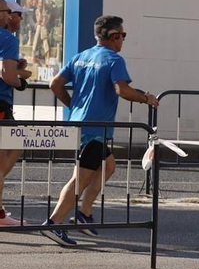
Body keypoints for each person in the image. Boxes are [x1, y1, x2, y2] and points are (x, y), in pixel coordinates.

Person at [43, 15, 159, 247]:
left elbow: (55, 84)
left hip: (81, 124)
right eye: (122, 35)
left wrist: (73, 107)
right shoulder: (114, 59)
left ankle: (84, 214)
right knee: (80, 179)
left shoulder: (81, 57)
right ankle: (54, 224)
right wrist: (146, 98)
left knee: (108, 165)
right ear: (113, 36)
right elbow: (122, 90)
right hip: (95, 128)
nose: (123, 40)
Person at [0, 0, 30, 227]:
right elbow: (7, 76)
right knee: (12, 148)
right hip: (0, 103)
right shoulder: (7, 39)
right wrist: (20, 81)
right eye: (8, 12)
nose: (11, 16)